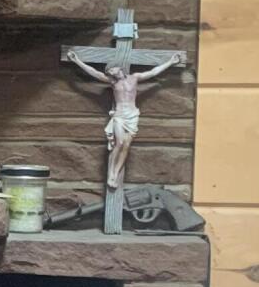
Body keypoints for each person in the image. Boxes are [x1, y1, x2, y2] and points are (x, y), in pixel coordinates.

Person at [65, 53, 185, 189]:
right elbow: (94, 72)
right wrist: (77, 60)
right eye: (108, 71)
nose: (110, 72)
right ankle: (110, 173)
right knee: (120, 142)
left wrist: (170, 62)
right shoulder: (112, 82)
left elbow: (153, 72)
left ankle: (116, 173)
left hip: (132, 115)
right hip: (120, 115)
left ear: (119, 67)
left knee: (126, 145)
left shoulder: (134, 78)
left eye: (111, 69)